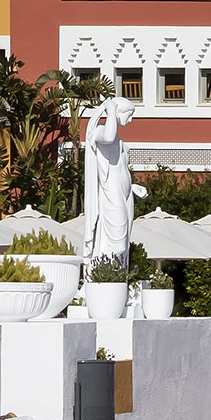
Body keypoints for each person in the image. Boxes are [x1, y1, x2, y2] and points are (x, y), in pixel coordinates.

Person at [75, 96, 139, 282]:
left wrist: (133, 188)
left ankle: (115, 279)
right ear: (118, 112)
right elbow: (109, 136)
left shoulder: (118, 140)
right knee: (116, 243)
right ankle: (103, 278)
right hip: (111, 196)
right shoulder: (100, 132)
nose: (131, 119)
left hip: (124, 196)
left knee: (123, 245)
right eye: (129, 114)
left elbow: (120, 170)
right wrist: (109, 110)